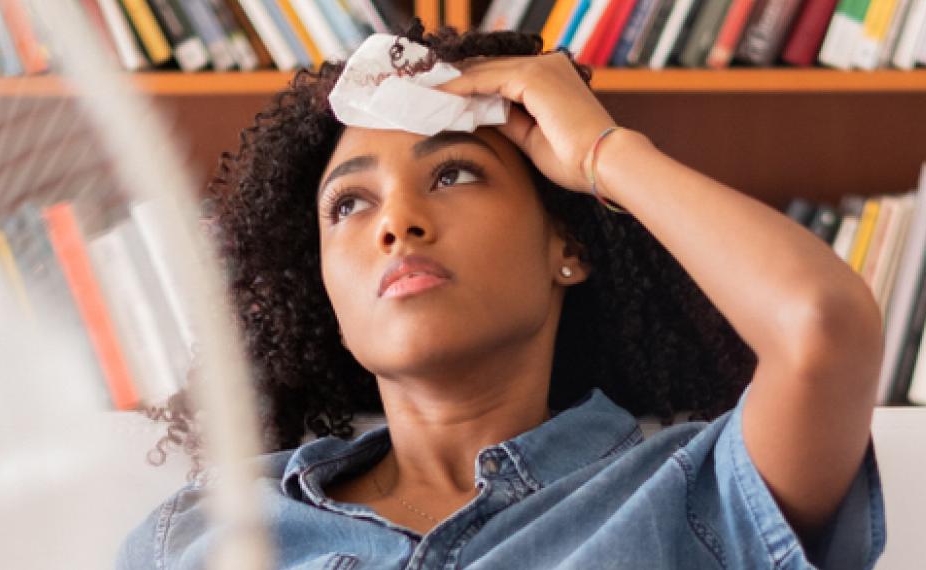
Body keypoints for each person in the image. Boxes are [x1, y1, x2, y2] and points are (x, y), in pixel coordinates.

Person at [121, 25, 886, 569]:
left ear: (569, 248)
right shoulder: (204, 531)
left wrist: (599, 151)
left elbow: (821, 326)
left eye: (453, 174)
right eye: (349, 205)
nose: (397, 223)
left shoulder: (693, 493)